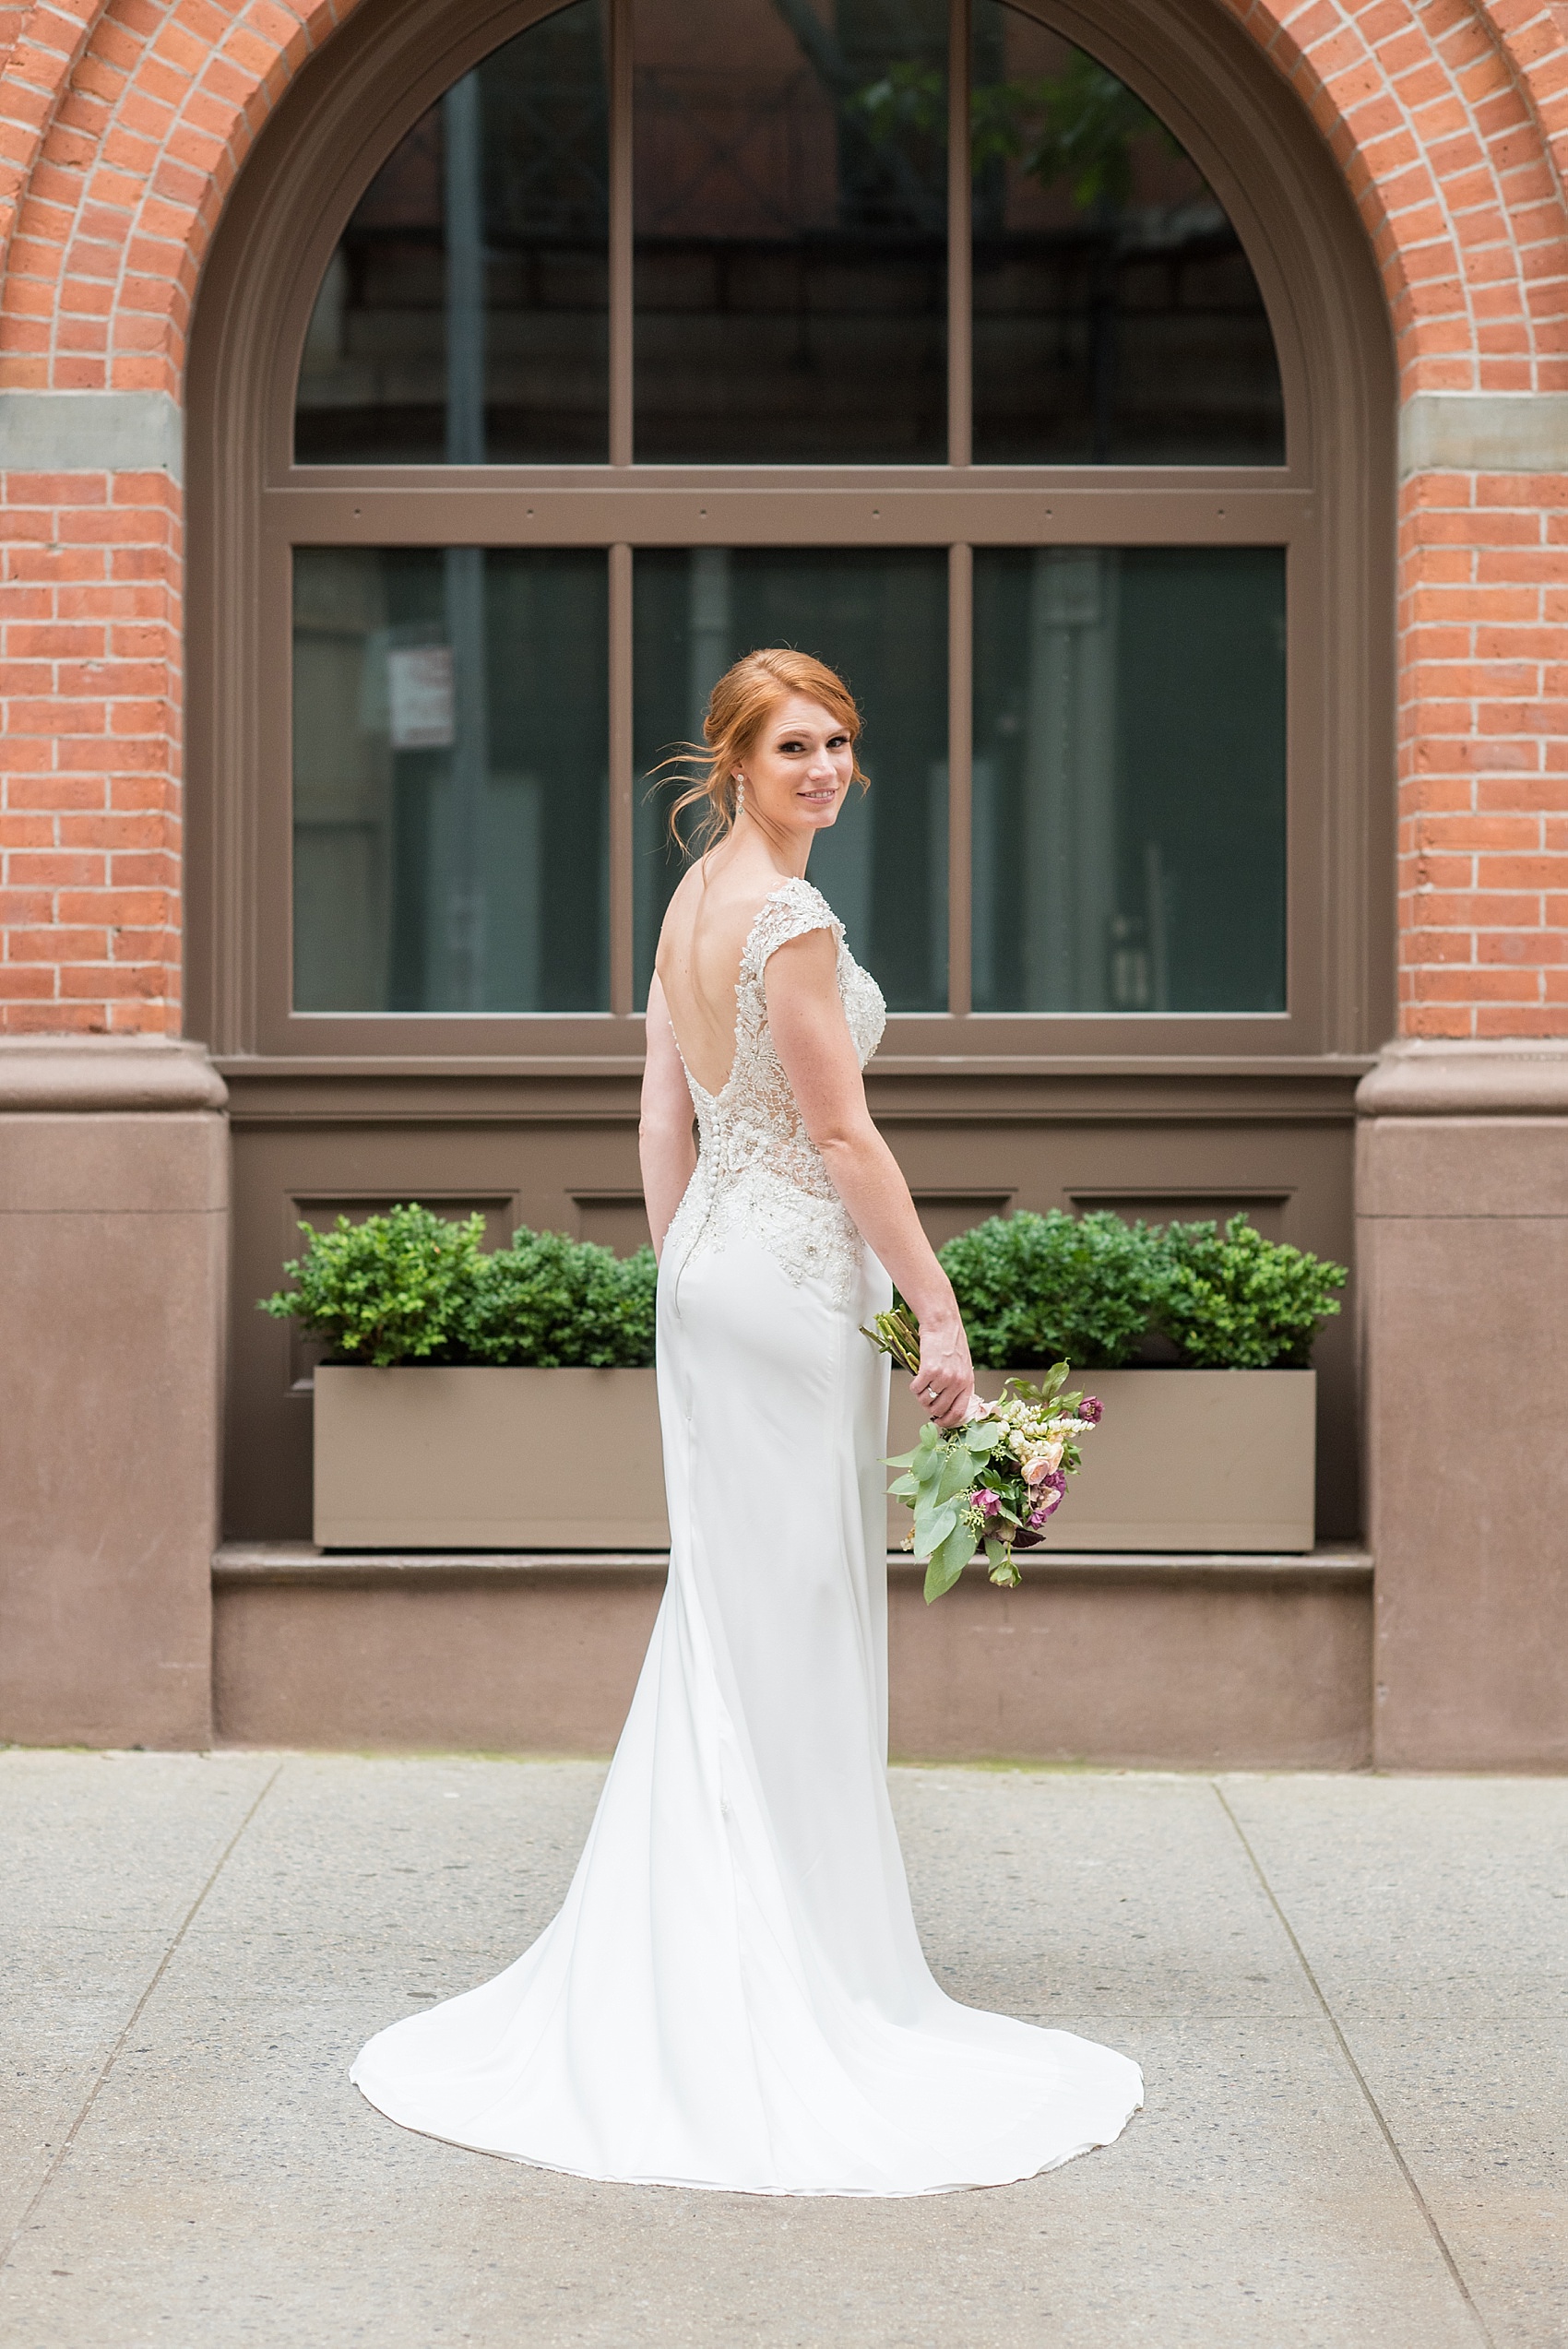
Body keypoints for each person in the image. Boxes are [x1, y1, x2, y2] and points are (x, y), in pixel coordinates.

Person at [350, 648, 1143, 2193]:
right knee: (786, 1616)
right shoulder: (790, 920)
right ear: (732, 761)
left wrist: (685, 1266)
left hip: (717, 1273)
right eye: (795, 747)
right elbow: (844, 1136)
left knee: (734, 1610)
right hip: (784, 1289)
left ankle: (717, 1936)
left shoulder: (689, 902)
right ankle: (775, 1969)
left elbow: (662, 1117)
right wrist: (942, 1314)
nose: (827, 768)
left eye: (843, 741)